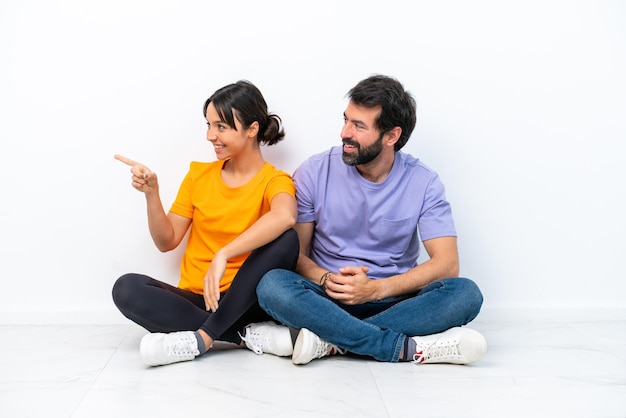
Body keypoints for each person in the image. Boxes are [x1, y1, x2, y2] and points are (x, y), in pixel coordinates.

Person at [252, 74, 487, 365]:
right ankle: (396, 346)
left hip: (395, 297)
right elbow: (295, 254)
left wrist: (377, 289)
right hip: (326, 296)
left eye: (358, 126)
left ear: (391, 136)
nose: (344, 132)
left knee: (465, 294)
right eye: (346, 120)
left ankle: (331, 340)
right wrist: (327, 279)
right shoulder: (314, 171)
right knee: (271, 284)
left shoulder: (423, 181)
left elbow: (447, 264)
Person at [112, 80, 299, 367]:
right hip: (197, 299)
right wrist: (152, 194)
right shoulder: (198, 175)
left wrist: (224, 253)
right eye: (209, 125)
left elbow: (285, 215)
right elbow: (167, 241)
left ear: (252, 129)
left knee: (287, 239)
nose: (211, 135)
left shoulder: (275, 181)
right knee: (125, 288)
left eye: (221, 126)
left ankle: (203, 336)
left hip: (245, 301)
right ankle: (242, 337)